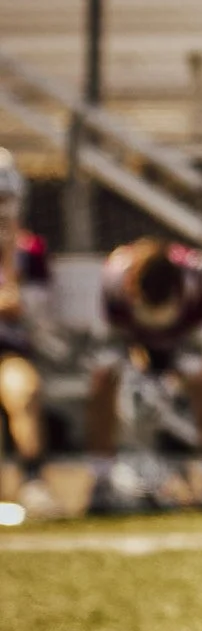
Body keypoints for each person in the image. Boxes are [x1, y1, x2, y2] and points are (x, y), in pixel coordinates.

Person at [86, 237, 202, 510]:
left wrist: (172, 380)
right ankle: (101, 479)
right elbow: (108, 341)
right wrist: (137, 372)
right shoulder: (115, 275)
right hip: (134, 345)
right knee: (102, 379)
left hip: (183, 344)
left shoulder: (195, 275)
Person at [0, 150, 57, 517]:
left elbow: (32, 309)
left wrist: (9, 262)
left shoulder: (29, 250)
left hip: (8, 352)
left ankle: (33, 479)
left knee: (24, 389)